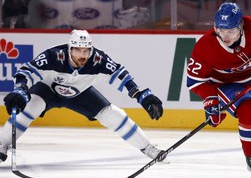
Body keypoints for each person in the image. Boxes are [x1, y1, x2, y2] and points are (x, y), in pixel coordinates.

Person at [0, 29, 167, 165]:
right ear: (69, 48)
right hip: (47, 90)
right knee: (30, 108)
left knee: (112, 114)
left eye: (86, 50)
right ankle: (2, 144)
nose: (82, 55)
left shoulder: (98, 60)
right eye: (78, 50)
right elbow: (26, 71)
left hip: (80, 92)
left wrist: (140, 95)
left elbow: (120, 75)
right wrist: (21, 89)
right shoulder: (53, 56)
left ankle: (148, 148)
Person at [187, 2, 251, 178]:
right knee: (248, 109)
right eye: (220, 30)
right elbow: (195, 81)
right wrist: (211, 101)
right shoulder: (205, 46)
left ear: (241, 26)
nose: (225, 36)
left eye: (231, 31)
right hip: (224, 84)